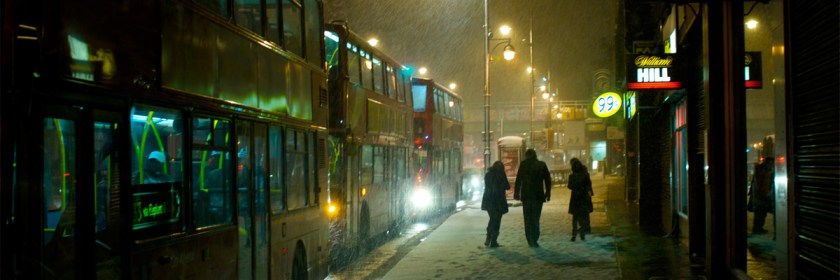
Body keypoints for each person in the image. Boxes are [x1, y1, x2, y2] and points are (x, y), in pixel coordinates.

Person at [514, 148, 552, 247]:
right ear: (535, 155)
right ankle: (535, 237)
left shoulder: (523, 165)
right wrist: (548, 193)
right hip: (538, 196)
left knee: (527, 219)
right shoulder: (541, 165)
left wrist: (516, 193)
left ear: (526, 156)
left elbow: (519, 179)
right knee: (535, 218)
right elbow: (547, 180)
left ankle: (529, 238)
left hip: (526, 196)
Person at [749, 136, 775, 234]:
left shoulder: (760, 170)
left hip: (758, 197)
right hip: (761, 197)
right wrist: (767, 194)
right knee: (760, 214)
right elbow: (763, 186)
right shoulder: (765, 172)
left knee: (759, 214)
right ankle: (757, 229)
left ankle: (757, 228)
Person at [481, 161, 510, 248]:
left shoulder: (488, 175)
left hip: (488, 200)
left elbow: (487, 186)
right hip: (498, 201)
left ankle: (488, 237)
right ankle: (493, 241)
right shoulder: (501, 174)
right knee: (496, 220)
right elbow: (507, 186)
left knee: (492, 219)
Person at [567, 158, 593, 241]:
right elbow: (589, 184)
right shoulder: (585, 175)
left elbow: (569, 186)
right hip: (584, 197)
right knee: (583, 216)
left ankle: (574, 234)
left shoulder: (572, 176)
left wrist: (576, 186)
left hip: (575, 198)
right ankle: (582, 233)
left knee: (575, 217)